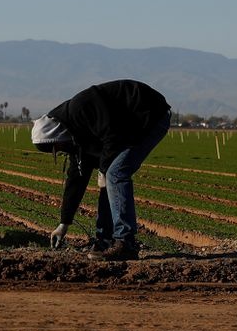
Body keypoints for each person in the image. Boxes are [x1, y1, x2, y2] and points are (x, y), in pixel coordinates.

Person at [30, 79, 170, 261]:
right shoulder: (73, 134)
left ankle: (125, 243)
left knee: (115, 174)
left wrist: (103, 169)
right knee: (107, 177)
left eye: (58, 148)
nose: (62, 151)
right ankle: (104, 239)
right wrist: (64, 223)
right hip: (125, 129)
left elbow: (113, 135)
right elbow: (77, 178)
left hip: (147, 116)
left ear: (56, 137)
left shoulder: (82, 110)